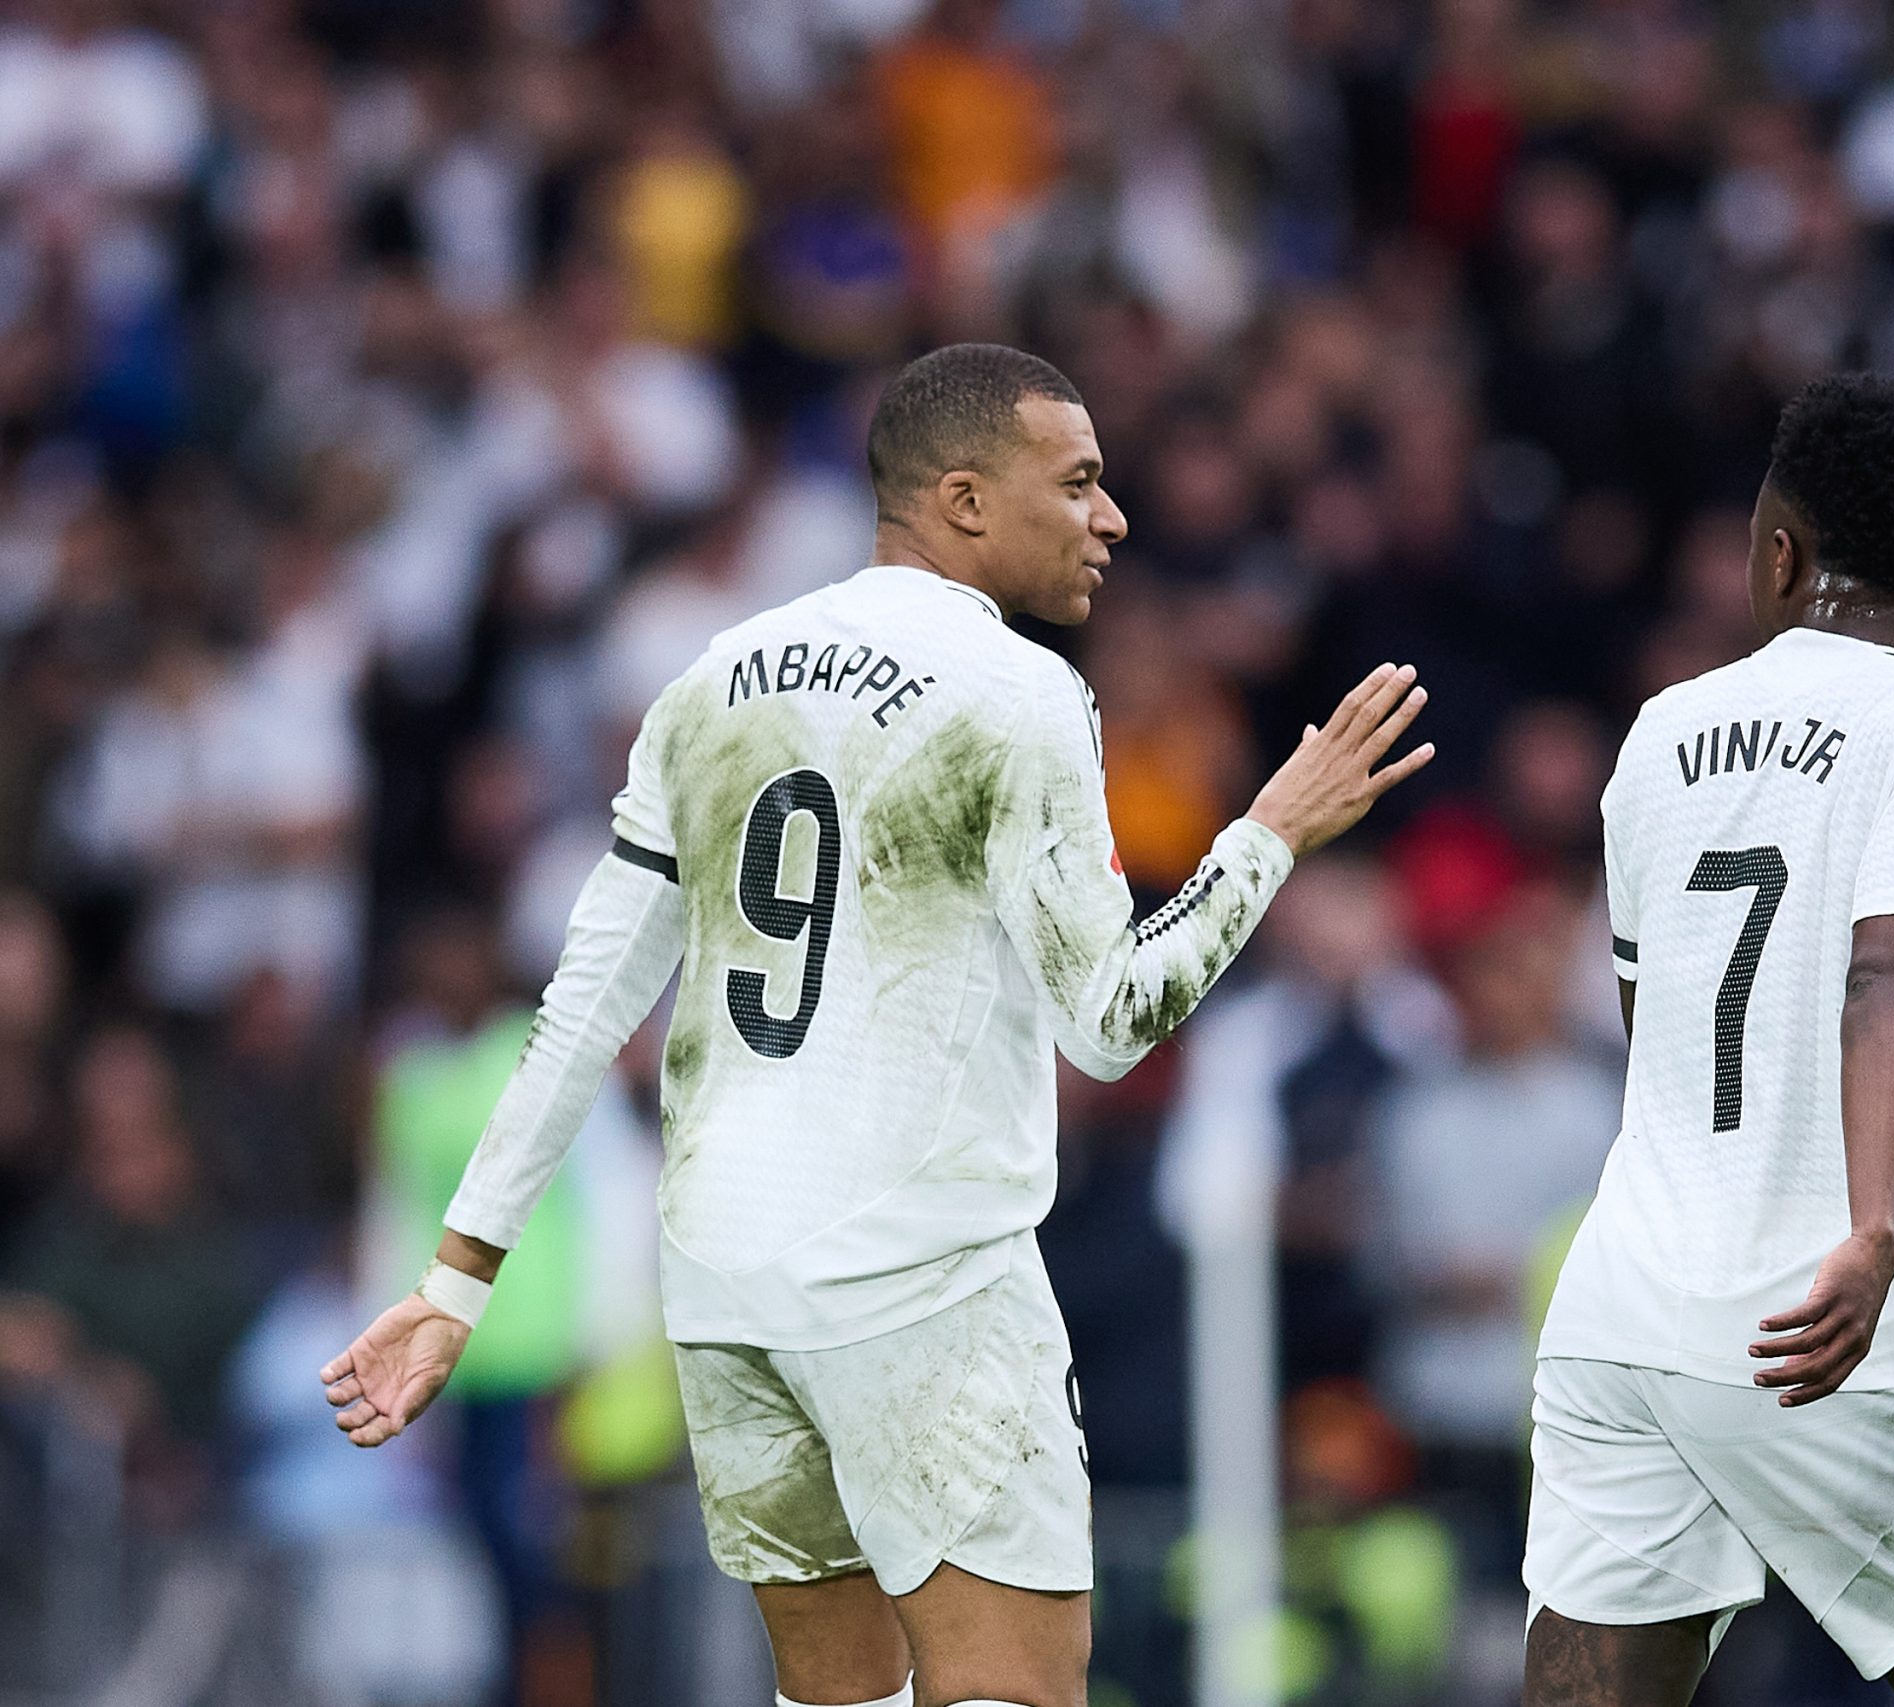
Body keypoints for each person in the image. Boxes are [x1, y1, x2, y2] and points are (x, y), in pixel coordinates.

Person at [319, 343, 1435, 1707]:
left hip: (731, 1283)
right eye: (1079, 482)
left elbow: (579, 1012)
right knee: (1009, 1689)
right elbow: (1113, 1020)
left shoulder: (711, 679)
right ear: (963, 500)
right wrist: (1267, 834)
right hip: (925, 1277)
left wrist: (452, 1287)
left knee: (836, 1698)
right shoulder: (1020, 694)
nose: (1113, 518)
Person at [1522, 373, 1894, 1707]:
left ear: (1776, 549)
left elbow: (1648, 1021)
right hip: (1816, 1311)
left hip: (1620, 1305)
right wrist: (1876, 1232)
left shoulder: (1657, 736)